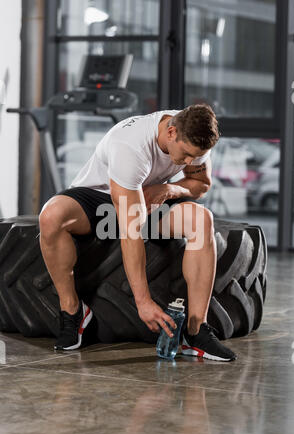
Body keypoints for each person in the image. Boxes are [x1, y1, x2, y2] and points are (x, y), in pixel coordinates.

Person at [39, 104, 237, 361]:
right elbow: (131, 230)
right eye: (187, 155)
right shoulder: (131, 147)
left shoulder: (193, 136)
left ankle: (196, 330)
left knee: (202, 220)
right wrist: (142, 302)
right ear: (171, 132)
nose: (190, 162)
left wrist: (170, 189)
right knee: (51, 216)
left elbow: (200, 184)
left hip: (150, 197)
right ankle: (73, 311)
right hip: (100, 199)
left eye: (196, 157)